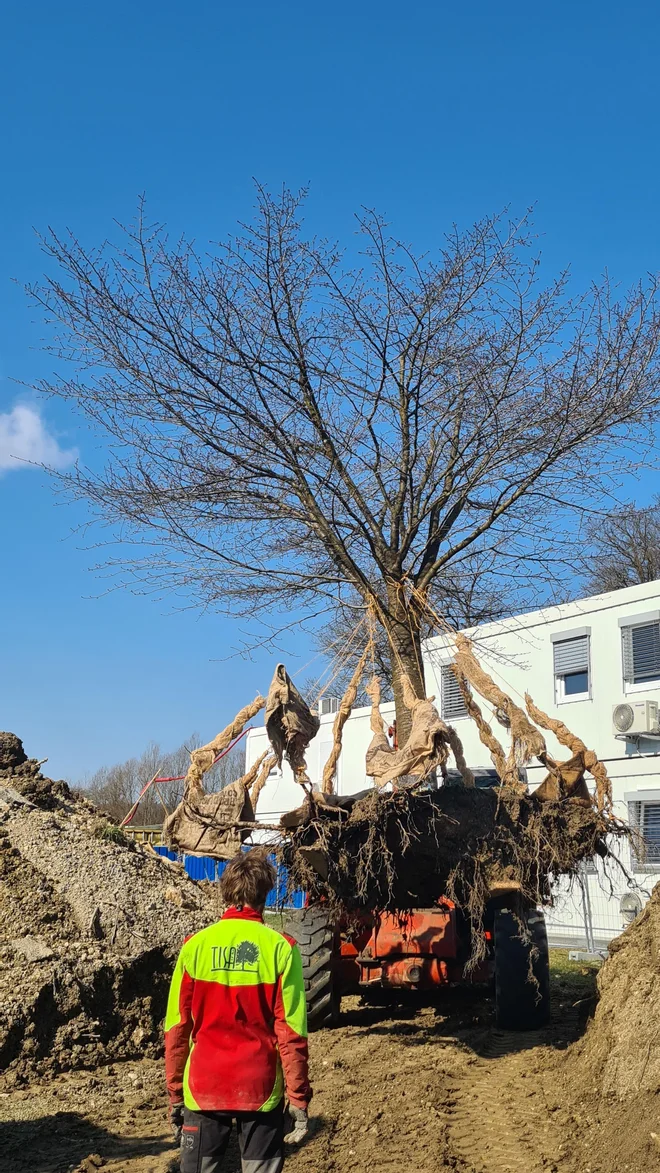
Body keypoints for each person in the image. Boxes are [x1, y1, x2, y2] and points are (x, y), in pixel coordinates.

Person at [164, 849, 312, 1173]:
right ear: (265, 892)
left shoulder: (194, 947)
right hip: (260, 1091)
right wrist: (298, 1098)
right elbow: (292, 1033)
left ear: (226, 892)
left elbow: (176, 1029)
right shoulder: (281, 950)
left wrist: (175, 1093)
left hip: (203, 1088)